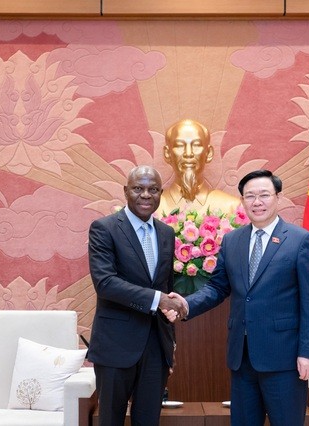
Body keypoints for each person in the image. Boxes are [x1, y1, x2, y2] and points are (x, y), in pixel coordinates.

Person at [165, 169, 309, 426]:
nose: (257, 202)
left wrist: (308, 353)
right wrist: (185, 304)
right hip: (242, 357)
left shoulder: (300, 240)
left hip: (284, 358)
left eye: (264, 195)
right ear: (242, 201)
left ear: (277, 197)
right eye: (250, 196)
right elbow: (217, 287)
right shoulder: (232, 240)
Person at [87, 165, 186, 425]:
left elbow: (166, 285)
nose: (145, 195)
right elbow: (105, 283)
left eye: (152, 189)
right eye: (138, 188)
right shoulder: (104, 228)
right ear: (125, 192)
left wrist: (170, 343)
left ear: (160, 194)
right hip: (115, 345)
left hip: (156, 346)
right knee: (110, 419)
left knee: (149, 420)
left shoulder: (167, 233)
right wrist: (158, 299)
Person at [159, 119, 241, 215]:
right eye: (179, 145)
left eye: (196, 145)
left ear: (209, 153)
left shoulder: (232, 207)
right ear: (167, 154)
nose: (188, 153)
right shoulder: (153, 209)